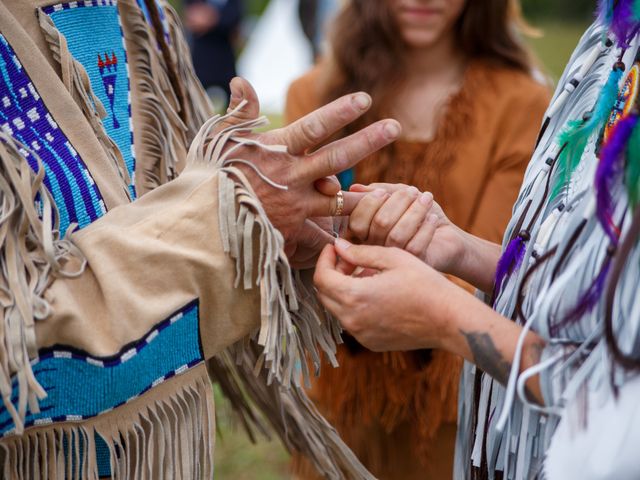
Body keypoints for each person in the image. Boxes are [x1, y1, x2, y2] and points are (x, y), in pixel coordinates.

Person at [0, 0, 402, 477]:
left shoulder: (139, 14)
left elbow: (181, 192)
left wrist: (277, 230)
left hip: (160, 448)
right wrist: (227, 217)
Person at [315, 3, 640, 479]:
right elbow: (582, 281)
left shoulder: (519, 95)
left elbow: (620, 408)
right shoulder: (612, 41)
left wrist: (448, 317)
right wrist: (460, 249)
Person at [286, 0, 549, 477]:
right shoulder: (316, 93)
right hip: (338, 390)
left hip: (460, 402)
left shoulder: (521, 102)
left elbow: (499, 267)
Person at [184, 0, 242, 107]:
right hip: (200, 57)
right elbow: (191, 15)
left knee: (233, 97)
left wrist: (208, 18)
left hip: (224, 57)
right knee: (194, 99)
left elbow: (234, 17)